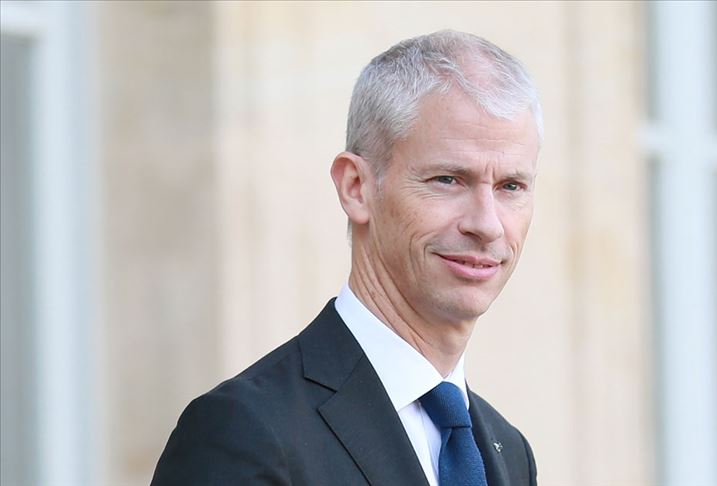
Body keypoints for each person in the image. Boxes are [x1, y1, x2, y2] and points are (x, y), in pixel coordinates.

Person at [151, 30, 542, 486]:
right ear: (356, 187)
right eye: (448, 180)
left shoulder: (509, 453)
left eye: (511, 186)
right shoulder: (245, 432)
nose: (488, 224)